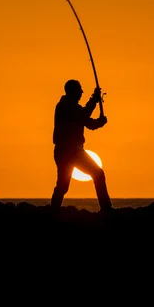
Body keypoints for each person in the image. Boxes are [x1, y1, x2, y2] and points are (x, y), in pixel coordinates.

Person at [51, 79, 111, 213]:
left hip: (73, 152)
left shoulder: (72, 107)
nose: (81, 92)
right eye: (79, 90)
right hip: (67, 152)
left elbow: (88, 123)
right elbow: (82, 115)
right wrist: (94, 100)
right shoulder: (64, 106)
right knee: (64, 185)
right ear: (73, 92)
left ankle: (53, 212)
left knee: (65, 185)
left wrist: (100, 122)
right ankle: (53, 211)